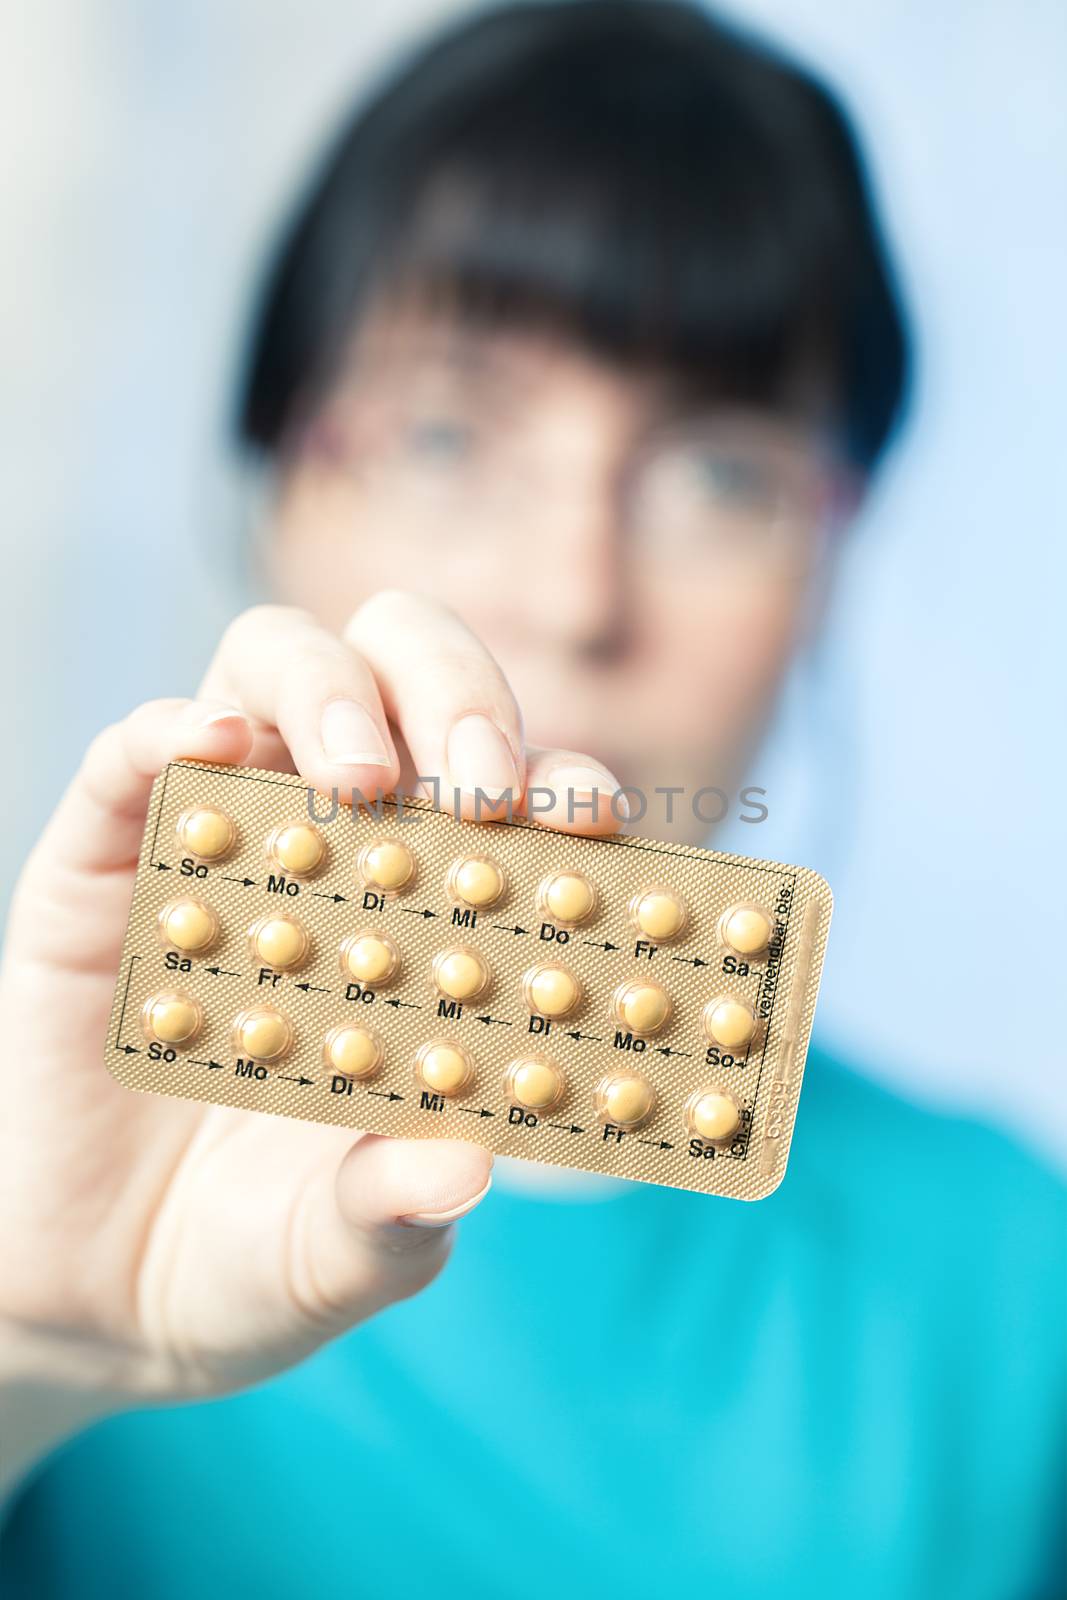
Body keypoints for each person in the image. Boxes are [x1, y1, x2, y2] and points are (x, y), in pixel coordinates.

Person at [1, 4, 1064, 1596]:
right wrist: (26, 1346)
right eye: (448, 431)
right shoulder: (37, 1165)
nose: (577, 598)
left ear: (831, 559)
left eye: (718, 472)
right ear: (277, 483)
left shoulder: (1015, 1278)